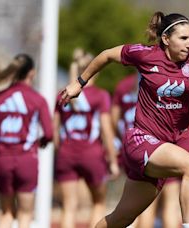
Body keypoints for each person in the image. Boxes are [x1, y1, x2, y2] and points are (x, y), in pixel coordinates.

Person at [59, 11, 189, 228]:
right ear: (166, 39)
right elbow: (107, 55)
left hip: (163, 147)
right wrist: (79, 83)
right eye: (183, 38)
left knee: (121, 218)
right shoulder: (145, 54)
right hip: (141, 140)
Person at [112, 74, 189, 228]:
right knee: (187, 198)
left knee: (150, 205)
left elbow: (114, 118)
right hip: (179, 146)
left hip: (149, 147)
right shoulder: (188, 85)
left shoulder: (130, 85)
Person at [0, 53, 53, 228]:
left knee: (6, 213)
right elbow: (49, 133)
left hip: (3, 160)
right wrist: (41, 141)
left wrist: (2, 133)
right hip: (27, 160)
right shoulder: (38, 99)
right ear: (32, 73)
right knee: (25, 214)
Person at [54, 51, 120, 228]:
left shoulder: (63, 94)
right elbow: (106, 131)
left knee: (69, 207)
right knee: (98, 202)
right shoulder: (100, 95)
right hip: (92, 154)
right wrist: (113, 159)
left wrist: (60, 152)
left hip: (66, 153)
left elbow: (55, 131)